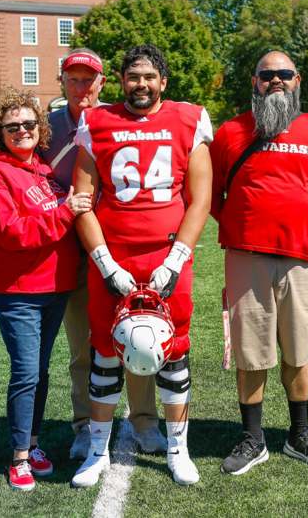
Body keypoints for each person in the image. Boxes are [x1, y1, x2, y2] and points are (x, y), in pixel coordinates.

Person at [70, 44, 212, 487]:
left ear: (163, 82)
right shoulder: (97, 121)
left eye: (150, 77)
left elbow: (201, 198)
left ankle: (177, 449)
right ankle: (97, 451)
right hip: (114, 257)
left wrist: (176, 259)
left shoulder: (189, 118)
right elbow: (82, 200)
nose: (142, 84)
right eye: (134, 77)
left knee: (173, 351)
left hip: (168, 255)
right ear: (121, 81)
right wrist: (106, 262)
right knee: (106, 353)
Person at [210, 51, 308, 475]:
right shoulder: (231, 132)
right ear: (255, 81)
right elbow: (211, 196)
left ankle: (299, 434)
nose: (277, 81)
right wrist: (246, 225)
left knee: (298, 351)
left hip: (301, 259)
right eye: (268, 75)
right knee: (251, 353)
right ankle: (253, 438)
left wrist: (296, 219)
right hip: (247, 258)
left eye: (284, 74)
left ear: (297, 79)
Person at [38, 48, 164, 461]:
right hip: (68, 249)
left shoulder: (118, 118)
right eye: (72, 80)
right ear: (62, 83)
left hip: (118, 247)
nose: (81, 88)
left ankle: (144, 420)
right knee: (83, 346)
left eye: (88, 80)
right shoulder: (47, 126)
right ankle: (83, 425)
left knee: (138, 334)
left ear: (103, 83)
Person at [0, 86, 93, 491]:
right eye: (12, 126)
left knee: (39, 372)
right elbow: (12, 233)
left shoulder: (42, 170)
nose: (21, 130)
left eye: (28, 124)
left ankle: (34, 443)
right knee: (26, 372)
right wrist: (64, 214)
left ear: (40, 129)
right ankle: (19, 456)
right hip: (16, 290)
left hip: (52, 288)